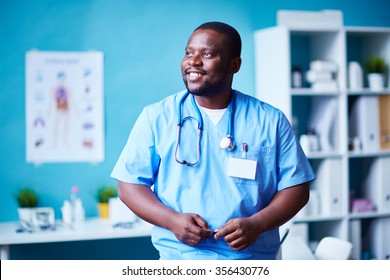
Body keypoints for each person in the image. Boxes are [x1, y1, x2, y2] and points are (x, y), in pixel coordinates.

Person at [111, 21, 316, 260]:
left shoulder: (270, 120)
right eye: (189, 53)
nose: (193, 61)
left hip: (251, 262)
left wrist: (257, 224)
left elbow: (297, 189)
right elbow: (129, 186)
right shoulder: (157, 117)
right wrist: (173, 221)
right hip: (180, 261)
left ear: (234, 65)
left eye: (207, 54)